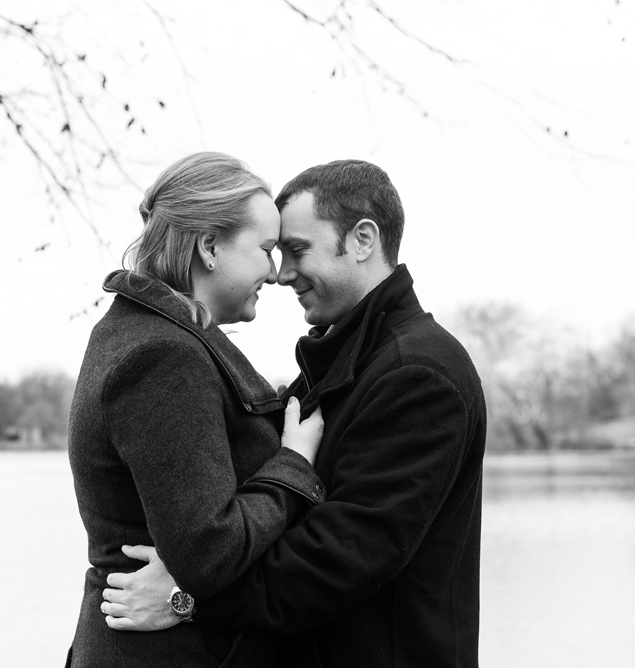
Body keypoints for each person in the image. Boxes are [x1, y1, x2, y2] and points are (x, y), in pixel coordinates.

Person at [101, 159, 488, 667]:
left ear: (363, 240)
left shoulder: (417, 375)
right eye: (272, 251)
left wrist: (190, 598)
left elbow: (341, 556)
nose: (281, 274)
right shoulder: (342, 362)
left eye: (296, 250)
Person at [65, 152, 327, 668]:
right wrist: (293, 465)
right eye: (265, 250)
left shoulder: (151, 334)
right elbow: (208, 551)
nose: (275, 275)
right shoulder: (164, 356)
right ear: (210, 246)